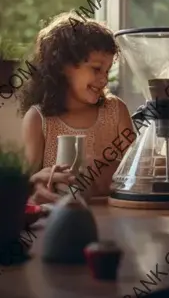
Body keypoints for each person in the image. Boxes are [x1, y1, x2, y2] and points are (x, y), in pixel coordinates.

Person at [19, 12, 134, 204]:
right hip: (60, 218)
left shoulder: (116, 111)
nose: (104, 79)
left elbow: (137, 172)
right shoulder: (38, 119)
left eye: (107, 71)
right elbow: (29, 188)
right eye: (96, 69)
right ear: (63, 66)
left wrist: (106, 169)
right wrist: (40, 182)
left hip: (115, 215)